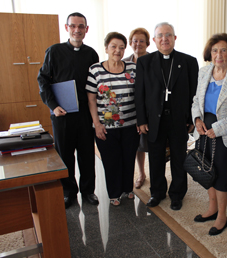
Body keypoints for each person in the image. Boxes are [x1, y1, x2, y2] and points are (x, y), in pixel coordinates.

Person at [37, 12, 99, 209]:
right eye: (73, 26)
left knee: (87, 153)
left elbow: (96, 84)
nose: (77, 30)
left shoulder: (91, 53)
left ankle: (88, 191)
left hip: (84, 113)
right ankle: (68, 192)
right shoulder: (54, 51)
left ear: (86, 29)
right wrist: (53, 106)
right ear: (67, 28)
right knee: (64, 155)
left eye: (81, 26)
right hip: (61, 113)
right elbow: (43, 81)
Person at [135, 22, 199, 211]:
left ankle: (177, 194)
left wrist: (191, 118)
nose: (164, 39)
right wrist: (142, 120)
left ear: (174, 38)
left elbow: (193, 94)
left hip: (179, 119)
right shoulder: (144, 62)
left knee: (179, 157)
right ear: (154, 40)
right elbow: (139, 93)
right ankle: (157, 192)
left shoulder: (188, 61)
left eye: (168, 35)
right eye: (160, 35)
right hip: (154, 119)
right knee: (155, 158)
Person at [191, 33, 227, 236]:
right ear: (210, 53)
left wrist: (219, 128)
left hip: (224, 134)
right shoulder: (204, 71)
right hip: (203, 130)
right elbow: (197, 99)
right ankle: (212, 208)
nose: (219, 54)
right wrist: (197, 120)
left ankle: (222, 216)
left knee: (221, 176)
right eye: (215, 50)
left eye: (223, 50)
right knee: (206, 171)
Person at [86, 32, 140, 206]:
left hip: (131, 124)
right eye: (114, 46)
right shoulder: (95, 69)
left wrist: (141, 119)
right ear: (106, 48)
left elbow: (140, 96)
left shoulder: (132, 68)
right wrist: (96, 124)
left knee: (128, 157)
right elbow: (91, 99)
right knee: (111, 160)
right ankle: (114, 193)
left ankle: (127, 188)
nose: (118, 50)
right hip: (106, 126)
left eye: (122, 47)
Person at [122, 28, 151, 189]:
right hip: (130, 109)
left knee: (151, 143)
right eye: (134, 40)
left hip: (149, 110)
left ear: (147, 43)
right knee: (137, 144)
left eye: (141, 41)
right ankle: (141, 174)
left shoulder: (154, 60)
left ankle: (156, 175)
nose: (137, 43)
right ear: (130, 43)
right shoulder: (124, 62)